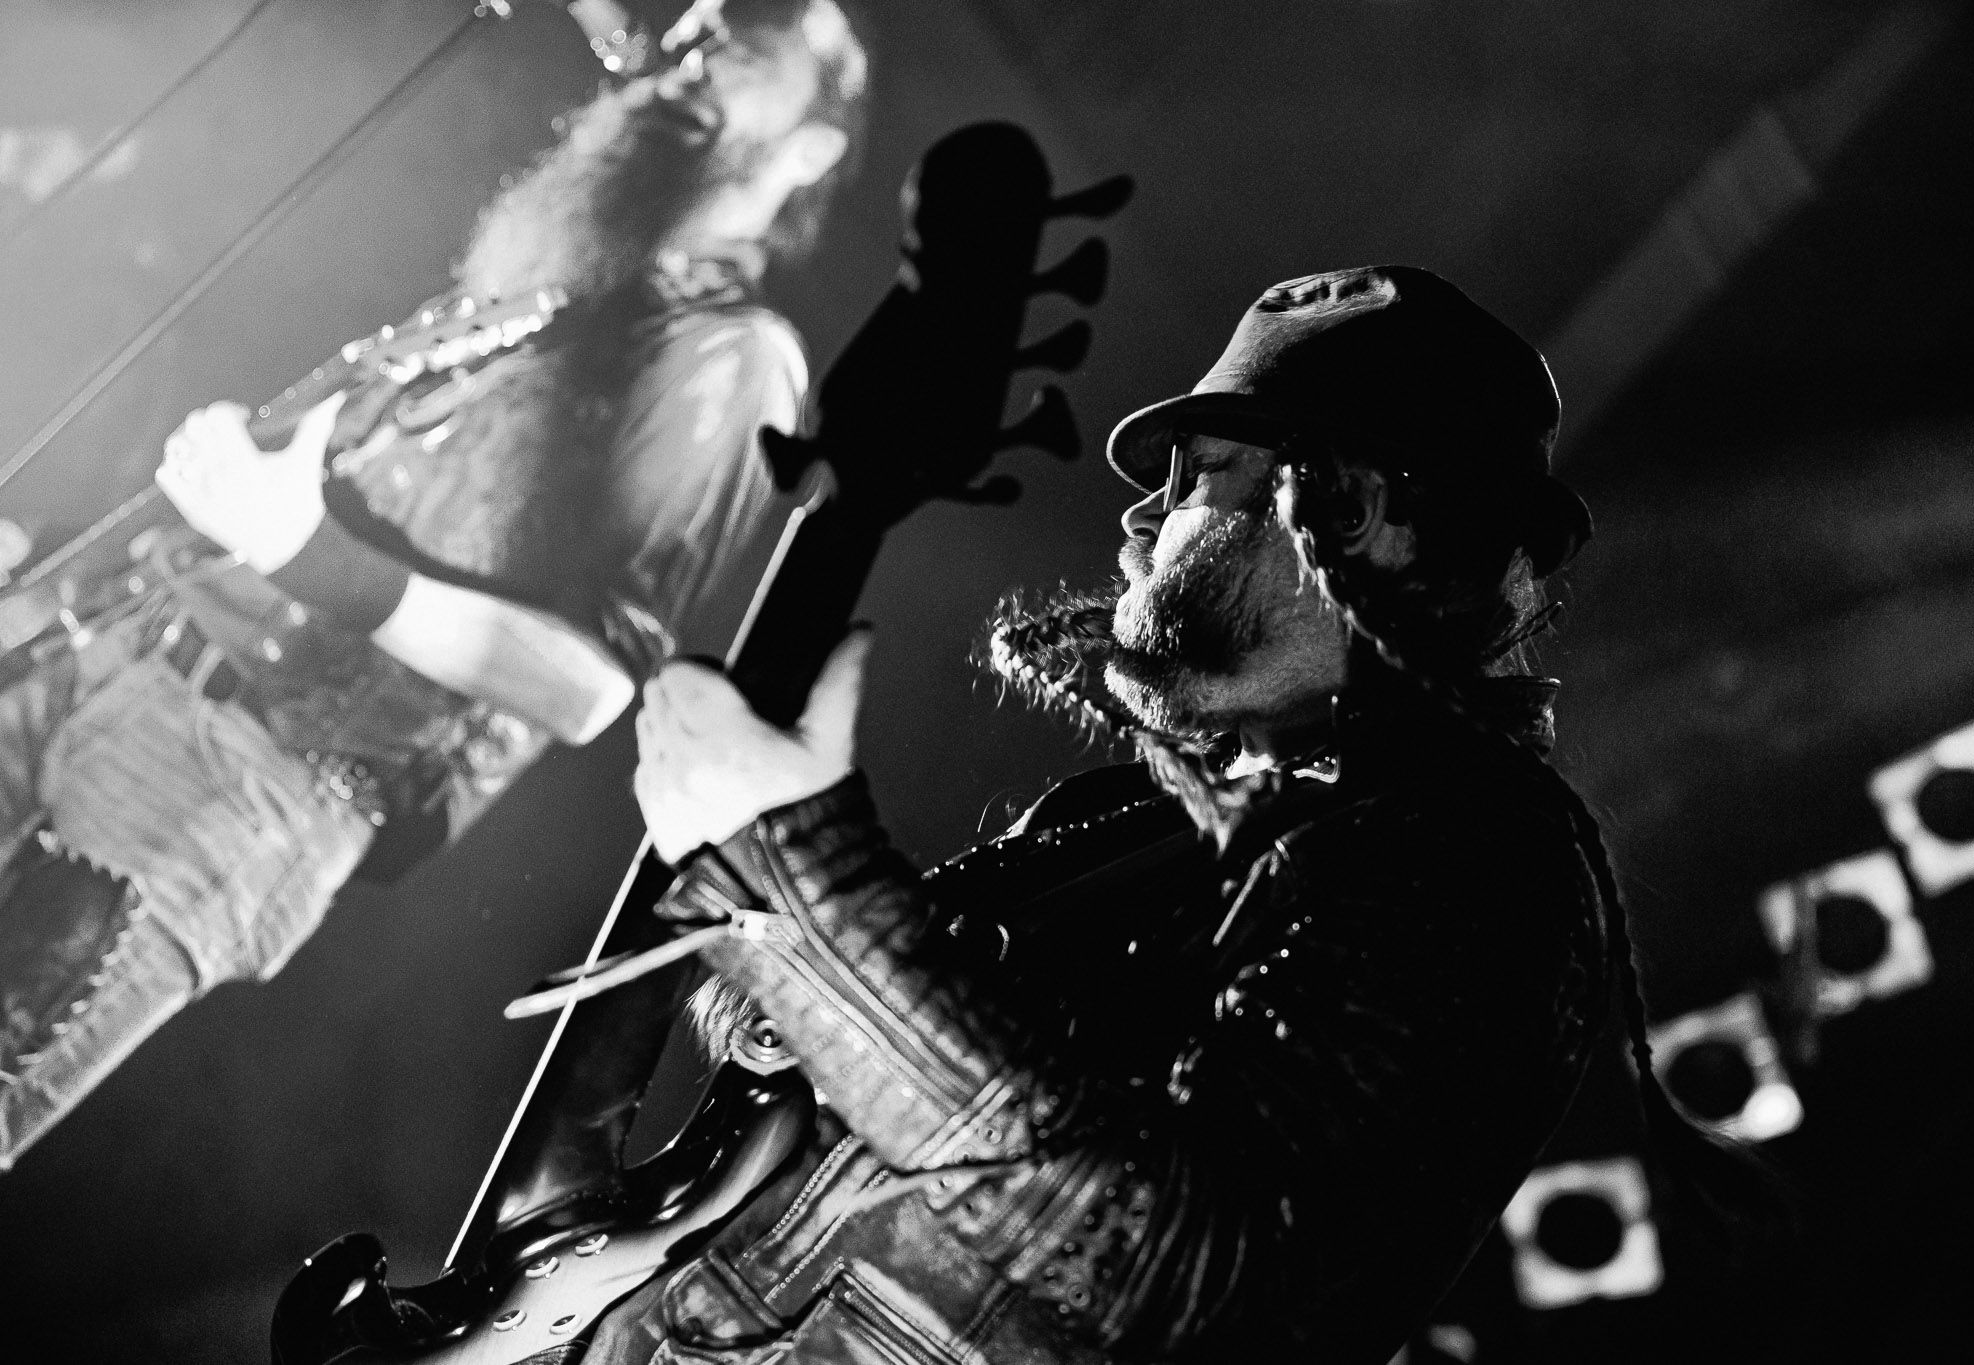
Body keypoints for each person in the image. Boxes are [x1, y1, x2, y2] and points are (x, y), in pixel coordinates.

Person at [601, 266, 1696, 1362]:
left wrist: (807, 877)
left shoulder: (1486, 858)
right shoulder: (1117, 815)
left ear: (1352, 512)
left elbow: (1177, 1274)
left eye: (1194, 473)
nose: (1136, 514)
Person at [0, 0, 869, 1170]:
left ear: (810, 146)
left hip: (234, 773)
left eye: (741, 47)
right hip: (97, 656)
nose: (690, 48)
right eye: (692, 26)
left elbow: (584, 689)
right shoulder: (544, 290)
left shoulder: (732, 357)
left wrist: (305, 546)